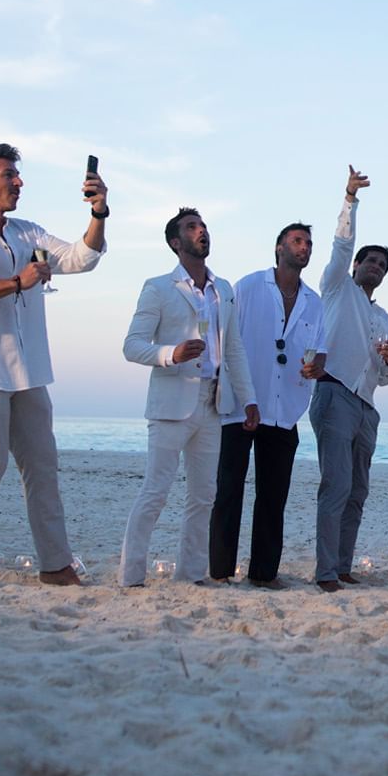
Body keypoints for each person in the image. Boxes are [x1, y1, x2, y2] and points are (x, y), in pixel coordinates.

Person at [0, 143, 107, 587]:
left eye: (17, 175)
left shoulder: (28, 232)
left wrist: (99, 214)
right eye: (8, 175)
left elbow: (80, 259)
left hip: (30, 373)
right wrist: (15, 282)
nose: (18, 182)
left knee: (43, 470)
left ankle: (55, 566)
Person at [118, 208, 257, 588]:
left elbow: (234, 350)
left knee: (204, 495)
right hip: (170, 404)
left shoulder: (223, 289)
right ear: (176, 243)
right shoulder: (159, 287)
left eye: (204, 226)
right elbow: (132, 345)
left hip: (213, 404)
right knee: (156, 491)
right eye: (192, 228)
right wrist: (171, 354)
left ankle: (191, 575)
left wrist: (248, 399)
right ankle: (131, 576)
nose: (202, 232)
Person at [209, 219, 325, 589]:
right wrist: (240, 396)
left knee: (273, 497)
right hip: (242, 405)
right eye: (296, 240)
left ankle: (263, 573)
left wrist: (316, 366)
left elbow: (321, 353)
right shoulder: (247, 287)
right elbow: (226, 340)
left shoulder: (314, 303)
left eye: (308, 242)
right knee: (229, 491)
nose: (303, 247)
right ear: (279, 248)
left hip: (285, 409)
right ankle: (221, 571)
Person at [308, 166, 388, 593]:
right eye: (372, 261)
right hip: (334, 393)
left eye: (383, 265)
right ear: (358, 264)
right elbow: (341, 245)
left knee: (358, 491)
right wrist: (350, 198)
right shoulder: (337, 287)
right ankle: (326, 571)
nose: (376, 268)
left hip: (366, 405)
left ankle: (343, 565)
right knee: (337, 485)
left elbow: (384, 377)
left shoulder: (383, 317)